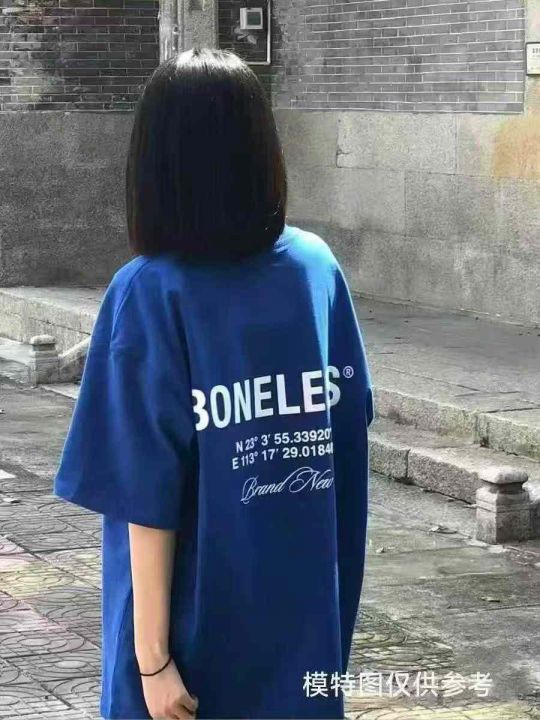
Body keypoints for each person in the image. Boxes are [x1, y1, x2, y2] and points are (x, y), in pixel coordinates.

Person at [53, 47, 374, 720]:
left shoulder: (150, 292)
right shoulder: (315, 270)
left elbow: (143, 491)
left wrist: (152, 658)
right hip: (304, 630)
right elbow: (345, 444)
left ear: (157, 162)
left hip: (189, 647)